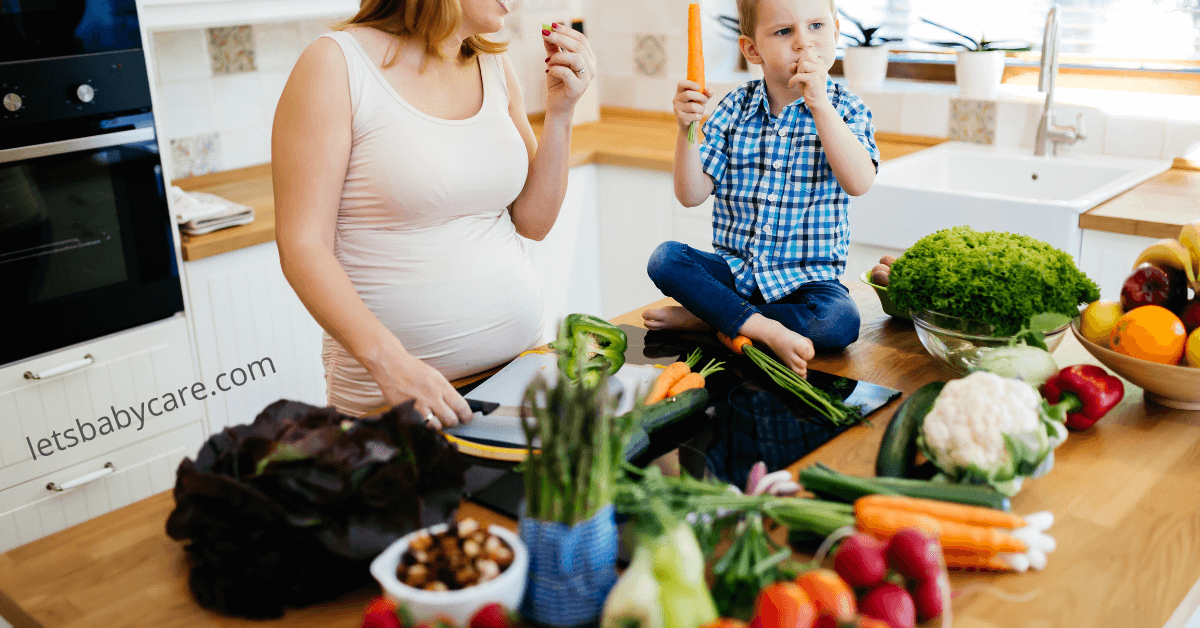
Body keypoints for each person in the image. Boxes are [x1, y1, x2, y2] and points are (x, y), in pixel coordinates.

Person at [273, 0, 596, 427]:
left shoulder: (493, 65)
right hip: (395, 400)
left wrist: (560, 112)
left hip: (517, 376)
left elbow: (534, 222)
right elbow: (302, 245)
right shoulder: (335, 64)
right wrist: (391, 366)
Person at [643, 0, 879, 378]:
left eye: (816, 25)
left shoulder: (847, 109)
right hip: (736, 273)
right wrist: (684, 128)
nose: (804, 42)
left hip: (807, 285)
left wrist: (819, 105)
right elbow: (691, 195)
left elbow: (859, 182)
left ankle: (712, 318)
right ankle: (759, 325)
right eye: (784, 32)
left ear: (835, 32)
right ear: (753, 50)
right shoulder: (734, 107)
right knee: (665, 259)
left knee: (840, 322)